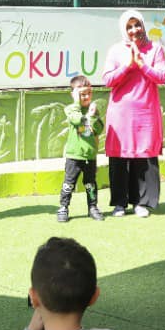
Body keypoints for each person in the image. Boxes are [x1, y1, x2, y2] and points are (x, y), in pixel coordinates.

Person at [100, 10, 165, 218]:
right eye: (129, 27)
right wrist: (128, 66)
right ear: (123, 29)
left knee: (143, 156)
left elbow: (161, 77)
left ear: (143, 25)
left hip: (146, 112)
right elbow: (107, 79)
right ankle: (120, 202)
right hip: (120, 113)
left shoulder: (155, 49)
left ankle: (141, 203)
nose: (134, 31)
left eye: (137, 25)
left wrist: (141, 65)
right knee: (120, 157)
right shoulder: (115, 50)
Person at [58, 75, 105, 223]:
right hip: (74, 156)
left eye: (88, 93)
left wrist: (95, 117)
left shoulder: (93, 110)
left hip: (89, 156)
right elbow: (78, 120)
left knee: (90, 184)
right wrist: (81, 106)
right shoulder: (71, 109)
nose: (86, 97)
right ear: (74, 94)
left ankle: (93, 207)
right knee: (69, 183)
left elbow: (98, 129)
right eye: (82, 94)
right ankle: (63, 207)